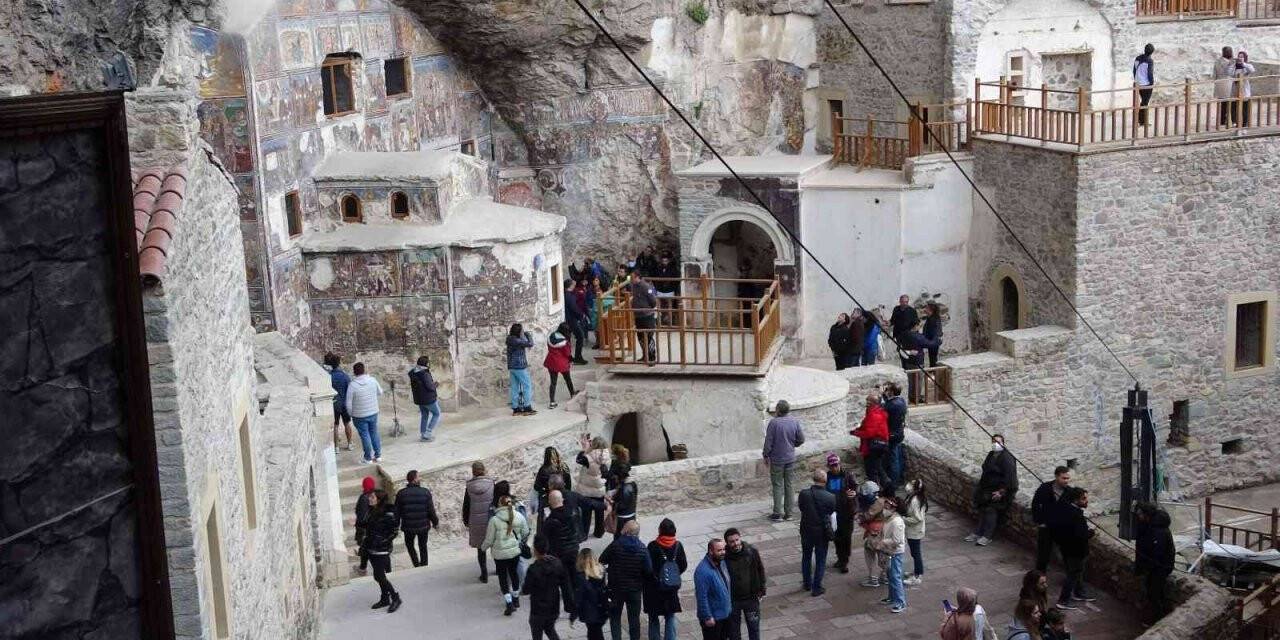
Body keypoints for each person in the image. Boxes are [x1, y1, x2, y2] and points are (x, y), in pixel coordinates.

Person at [600, 520, 652, 640]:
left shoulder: (615, 545)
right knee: (634, 620)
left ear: (626, 531)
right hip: (634, 590)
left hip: (616, 589)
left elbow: (602, 559)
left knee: (615, 618)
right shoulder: (643, 549)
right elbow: (649, 570)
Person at [965, 434, 1017, 546]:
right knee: (983, 509)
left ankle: (987, 536)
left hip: (1000, 490)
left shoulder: (1007, 458)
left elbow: (1010, 478)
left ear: (1003, 443)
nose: (995, 444)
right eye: (993, 441)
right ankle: (978, 532)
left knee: (991, 510)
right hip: (986, 488)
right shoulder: (991, 454)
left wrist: (1001, 492)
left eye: (998, 442)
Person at [482, 494, 530, 616]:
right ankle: (516, 599)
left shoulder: (494, 520)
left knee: (503, 578)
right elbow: (525, 532)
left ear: (499, 504)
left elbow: (489, 539)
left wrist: (483, 548)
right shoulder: (519, 516)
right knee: (514, 574)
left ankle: (509, 603)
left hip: (499, 555)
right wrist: (518, 539)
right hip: (515, 552)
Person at [523, 535, 576, 640]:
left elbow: (526, 590)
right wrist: (571, 605)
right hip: (553, 606)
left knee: (537, 634)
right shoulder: (557, 564)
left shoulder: (533, 569)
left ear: (535, 550)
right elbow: (566, 586)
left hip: (538, 609)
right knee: (550, 629)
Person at [762, 400, 806, 522]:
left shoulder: (774, 423)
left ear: (778, 410)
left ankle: (777, 513)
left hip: (777, 459)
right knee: (789, 485)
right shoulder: (794, 421)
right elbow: (801, 439)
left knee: (777, 485)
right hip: (790, 458)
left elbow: (768, 442)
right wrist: (793, 445)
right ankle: (789, 513)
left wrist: (766, 455)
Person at [644, 518, 688, 640]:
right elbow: (683, 565)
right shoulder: (678, 546)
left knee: (653, 618)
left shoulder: (652, 546)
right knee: (670, 616)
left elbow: (647, 567)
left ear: (660, 530)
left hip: (654, 588)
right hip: (671, 588)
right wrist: (673, 574)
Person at [1052, 487, 1095, 611]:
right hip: (1075, 551)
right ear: (1076, 500)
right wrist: (1090, 533)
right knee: (1072, 574)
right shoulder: (1075, 516)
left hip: (1067, 549)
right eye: (1083, 499)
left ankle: (1079, 593)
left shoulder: (1066, 510)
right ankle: (1063, 600)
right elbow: (1081, 535)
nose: (1086, 501)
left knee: (1077, 572)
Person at [360, 489, 402, 613]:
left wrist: (382, 542)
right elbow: (369, 526)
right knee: (378, 576)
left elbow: (394, 532)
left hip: (381, 549)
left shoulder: (388, 514)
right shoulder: (372, 510)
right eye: (370, 497)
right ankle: (384, 598)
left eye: (372, 497)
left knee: (379, 576)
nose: (370, 499)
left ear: (378, 499)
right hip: (371, 548)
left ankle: (395, 597)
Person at [1134, 503, 1175, 623]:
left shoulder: (1159, 531)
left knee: (1155, 594)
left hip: (1159, 568)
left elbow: (1158, 553)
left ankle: (1157, 619)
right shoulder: (1148, 526)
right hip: (1153, 567)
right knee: (1152, 592)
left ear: (1147, 515)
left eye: (1140, 514)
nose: (1138, 516)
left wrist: (1148, 566)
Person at [798, 468, 836, 597]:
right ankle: (817, 586)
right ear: (825, 480)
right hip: (821, 532)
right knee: (820, 559)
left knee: (806, 557)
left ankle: (807, 583)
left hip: (806, 530)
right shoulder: (830, 497)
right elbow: (831, 513)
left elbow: (801, 508)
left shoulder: (804, 494)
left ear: (813, 479)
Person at [724, 528, 766, 640]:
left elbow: (760, 570)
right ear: (727, 543)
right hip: (732, 600)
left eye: (737, 540)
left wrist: (762, 589)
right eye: (732, 541)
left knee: (754, 629)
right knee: (734, 633)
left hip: (751, 599)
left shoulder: (751, 552)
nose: (735, 543)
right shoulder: (724, 557)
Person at [395, 469, 440, 568]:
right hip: (423, 526)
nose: (420, 478)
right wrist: (435, 522)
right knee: (423, 546)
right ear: (415, 479)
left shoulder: (401, 494)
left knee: (410, 545)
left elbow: (397, 512)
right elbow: (431, 510)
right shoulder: (425, 492)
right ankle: (424, 565)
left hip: (408, 526)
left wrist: (395, 526)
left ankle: (416, 564)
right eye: (418, 477)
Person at [1031, 466, 1072, 572]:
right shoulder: (1045, 488)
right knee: (1043, 553)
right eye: (1064, 478)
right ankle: (1040, 574)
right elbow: (1035, 504)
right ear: (1056, 477)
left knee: (1067, 553)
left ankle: (1070, 576)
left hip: (1061, 528)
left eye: (1068, 478)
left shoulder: (1070, 492)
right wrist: (1039, 521)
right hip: (1046, 527)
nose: (1066, 481)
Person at [693, 539, 733, 640]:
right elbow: (701, 596)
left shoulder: (722, 562)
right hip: (713, 618)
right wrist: (707, 616)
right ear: (711, 551)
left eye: (724, 549)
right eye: (719, 550)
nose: (723, 552)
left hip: (725, 614)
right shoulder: (702, 571)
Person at [463, 462, 496, 583]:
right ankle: (498, 568)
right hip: (490, 519)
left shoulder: (469, 486)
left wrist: (466, 520)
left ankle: (484, 574)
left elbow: (466, 505)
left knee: (480, 548)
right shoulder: (491, 483)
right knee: (495, 544)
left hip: (475, 520)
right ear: (484, 470)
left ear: (473, 471)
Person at [345, 362, 384, 464]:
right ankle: (378, 455)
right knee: (374, 433)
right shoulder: (372, 380)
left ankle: (368, 458)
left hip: (359, 415)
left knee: (365, 435)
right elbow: (380, 392)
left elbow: (348, 403)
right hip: (373, 412)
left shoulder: (352, 385)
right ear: (364, 370)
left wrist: (350, 413)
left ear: (354, 372)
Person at [543, 491, 582, 589]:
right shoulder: (573, 513)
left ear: (550, 502)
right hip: (573, 549)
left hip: (559, 553)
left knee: (565, 580)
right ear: (562, 500)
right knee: (574, 574)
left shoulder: (549, 521)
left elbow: (545, 538)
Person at [576, 435, 612, 538]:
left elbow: (578, 460)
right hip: (600, 490)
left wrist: (584, 449)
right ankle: (599, 533)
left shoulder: (588, 457)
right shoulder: (608, 456)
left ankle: (584, 534)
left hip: (586, 491)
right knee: (599, 513)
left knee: (586, 514)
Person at [851, 394, 889, 486]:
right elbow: (867, 426)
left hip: (875, 446)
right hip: (878, 445)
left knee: (872, 470)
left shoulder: (874, 415)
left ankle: (876, 490)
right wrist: (857, 430)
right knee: (878, 467)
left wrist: (856, 433)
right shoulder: (875, 412)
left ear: (874, 403)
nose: (866, 403)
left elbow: (869, 433)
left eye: (869, 401)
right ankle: (885, 487)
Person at [879, 492, 908, 613]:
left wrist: (882, 542)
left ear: (894, 508)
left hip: (895, 553)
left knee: (895, 576)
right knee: (890, 575)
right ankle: (891, 597)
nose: (885, 509)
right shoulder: (890, 518)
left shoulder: (897, 522)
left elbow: (897, 540)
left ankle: (901, 602)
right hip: (889, 551)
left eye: (887, 507)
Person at [575, 549, 611, 640]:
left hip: (589, 613)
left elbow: (579, 597)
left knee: (593, 634)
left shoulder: (581, 577)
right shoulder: (601, 571)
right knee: (595, 633)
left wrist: (574, 614)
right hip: (602, 609)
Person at [857, 479, 887, 588]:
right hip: (883, 531)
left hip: (875, 533)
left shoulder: (877, 503)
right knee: (883, 555)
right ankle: (885, 576)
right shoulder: (883, 501)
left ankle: (874, 579)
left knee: (870, 554)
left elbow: (867, 516)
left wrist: (860, 517)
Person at [627, 269, 659, 364]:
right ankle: (645, 355)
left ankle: (652, 357)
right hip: (638, 315)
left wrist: (647, 308)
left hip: (647, 315)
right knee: (640, 337)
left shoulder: (645, 286)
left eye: (632, 277)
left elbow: (653, 301)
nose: (631, 279)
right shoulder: (633, 286)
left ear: (638, 277)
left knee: (648, 337)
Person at [544, 322, 578, 410]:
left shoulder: (551, 336)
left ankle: (552, 402)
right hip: (561, 363)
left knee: (553, 383)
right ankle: (572, 393)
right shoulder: (565, 342)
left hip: (551, 361)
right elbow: (567, 353)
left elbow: (549, 347)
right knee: (568, 379)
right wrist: (571, 359)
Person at [535, 446, 573, 525]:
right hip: (563, 497)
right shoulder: (564, 467)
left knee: (546, 519)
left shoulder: (543, 470)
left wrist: (545, 491)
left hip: (549, 499)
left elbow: (537, 486)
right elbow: (569, 484)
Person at [324, 352, 353, 450]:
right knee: (347, 423)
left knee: (335, 425)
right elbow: (350, 388)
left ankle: (336, 447)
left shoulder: (328, 376)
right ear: (339, 363)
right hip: (344, 403)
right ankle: (349, 444)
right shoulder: (345, 376)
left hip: (334, 404)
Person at [408, 355, 441, 442]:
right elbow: (430, 387)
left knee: (425, 415)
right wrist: (436, 384)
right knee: (437, 414)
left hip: (420, 399)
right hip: (428, 399)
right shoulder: (424, 373)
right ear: (425, 364)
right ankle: (427, 434)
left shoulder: (414, 372)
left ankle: (423, 434)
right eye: (428, 362)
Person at [507, 323, 537, 416]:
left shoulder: (510, 339)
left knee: (515, 387)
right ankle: (527, 407)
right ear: (519, 332)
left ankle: (516, 409)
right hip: (519, 366)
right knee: (527, 386)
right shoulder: (517, 341)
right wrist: (528, 334)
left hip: (512, 367)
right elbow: (530, 343)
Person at [833, 471, 859, 574]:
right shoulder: (829, 477)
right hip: (835, 511)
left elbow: (856, 488)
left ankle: (844, 560)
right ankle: (840, 558)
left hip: (847, 511)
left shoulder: (847, 476)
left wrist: (855, 492)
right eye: (832, 465)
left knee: (846, 537)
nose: (835, 467)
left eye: (836, 464)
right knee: (836, 537)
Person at [903, 478, 927, 586]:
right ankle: (916, 571)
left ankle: (918, 576)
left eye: (912, 484)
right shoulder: (913, 498)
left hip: (915, 532)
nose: (908, 485)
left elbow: (918, 518)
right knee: (914, 553)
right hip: (913, 531)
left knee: (916, 553)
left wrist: (903, 519)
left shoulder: (914, 501)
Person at [882, 383, 907, 486]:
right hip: (899, 433)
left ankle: (893, 482)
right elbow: (888, 402)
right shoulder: (901, 401)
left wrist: (883, 394)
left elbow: (883, 408)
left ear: (891, 391)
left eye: (889, 390)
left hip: (892, 435)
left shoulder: (891, 405)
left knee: (893, 459)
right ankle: (900, 478)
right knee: (899, 456)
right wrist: (885, 394)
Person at [354, 476, 376, 575]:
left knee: (366, 549)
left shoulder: (364, 498)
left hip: (365, 529)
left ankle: (364, 569)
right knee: (366, 549)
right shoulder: (375, 495)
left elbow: (362, 516)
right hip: (373, 527)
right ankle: (363, 568)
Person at [1229, 51, 1256, 127]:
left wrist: (1243, 64)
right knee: (1233, 106)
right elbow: (1229, 73)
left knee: (1245, 107)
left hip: (1244, 89)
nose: (1240, 58)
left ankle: (1244, 123)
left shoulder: (1247, 66)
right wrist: (1234, 64)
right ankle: (1234, 122)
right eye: (1239, 56)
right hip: (1235, 89)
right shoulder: (1234, 66)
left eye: (1242, 57)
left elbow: (1252, 70)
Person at [610, 463, 638, 535]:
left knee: (620, 536)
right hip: (631, 514)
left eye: (615, 476)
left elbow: (622, 506)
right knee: (631, 534)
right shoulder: (632, 483)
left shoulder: (625, 488)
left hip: (623, 517)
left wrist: (612, 503)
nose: (614, 477)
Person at [1133, 44, 1155, 126]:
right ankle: (1142, 120)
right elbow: (1150, 73)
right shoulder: (1149, 61)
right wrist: (1152, 83)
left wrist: (1136, 79)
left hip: (1138, 83)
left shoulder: (1138, 58)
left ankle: (1141, 120)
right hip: (1146, 84)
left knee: (1143, 102)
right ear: (1151, 52)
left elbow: (1134, 70)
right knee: (1145, 102)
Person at [1214, 46, 1236, 126]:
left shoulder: (1217, 62)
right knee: (1232, 103)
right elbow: (1231, 72)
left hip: (1219, 84)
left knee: (1223, 104)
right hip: (1229, 83)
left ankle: (1222, 121)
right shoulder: (1231, 62)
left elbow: (1214, 75)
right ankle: (1233, 121)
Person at [922, 302, 943, 367]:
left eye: (927, 308)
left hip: (933, 340)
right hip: (931, 340)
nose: (925, 309)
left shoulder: (934, 319)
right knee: (932, 357)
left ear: (931, 310)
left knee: (933, 358)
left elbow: (936, 330)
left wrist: (932, 341)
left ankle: (933, 372)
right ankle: (933, 370)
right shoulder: (930, 318)